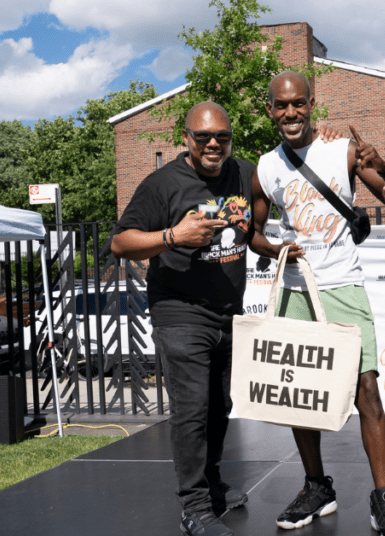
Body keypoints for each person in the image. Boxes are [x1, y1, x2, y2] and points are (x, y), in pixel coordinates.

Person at [248, 71, 385, 536]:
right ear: (270, 110)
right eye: (281, 106)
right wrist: (275, 250)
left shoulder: (340, 150)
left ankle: (384, 499)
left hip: (344, 286)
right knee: (299, 399)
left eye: (298, 103)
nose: (290, 113)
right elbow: (254, 233)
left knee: (367, 393)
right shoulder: (265, 168)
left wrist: (382, 165)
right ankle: (317, 486)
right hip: (296, 290)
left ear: (311, 103)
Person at [111, 101, 252, 536]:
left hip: (228, 313)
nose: (213, 144)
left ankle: (210, 484)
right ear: (185, 138)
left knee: (220, 407)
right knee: (191, 409)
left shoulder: (243, 173)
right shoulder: (162, 184)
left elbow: (278, 186)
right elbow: (120, 242)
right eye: (203, 137)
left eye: (222, 137)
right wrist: (174, 236)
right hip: (179, 312)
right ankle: (193, 507)